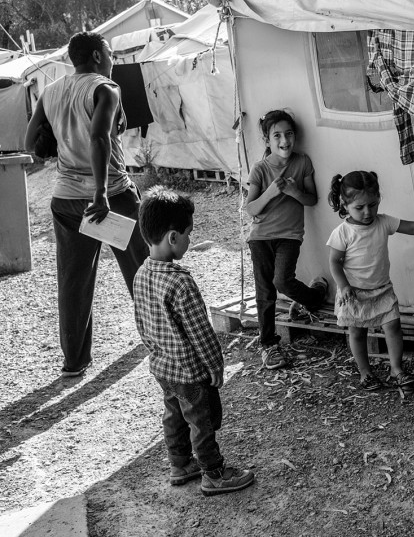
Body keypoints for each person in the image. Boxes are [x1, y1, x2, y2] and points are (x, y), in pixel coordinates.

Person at [24, 31, 149, 378]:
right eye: (109, 53)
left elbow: (30, 141)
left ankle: (74, 362)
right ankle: (157, 338)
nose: (112, 60)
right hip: (111, 196)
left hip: (65, 200)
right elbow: (98, 136)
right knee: (141, 268)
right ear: (96, 56)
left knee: (74, 280)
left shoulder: (49, 91)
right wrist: (100, 193)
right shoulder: (105, 88)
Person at [133, 186, 255, 496]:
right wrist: (215, 365)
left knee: (173, 415)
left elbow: (141, 324)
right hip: (190, 372)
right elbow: (200, 332)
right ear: (173, 237)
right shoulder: (180, 281)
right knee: (201, 421)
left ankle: (180, 464)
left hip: (162, 368)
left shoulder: (141, 274)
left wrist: (155, 353)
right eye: (188, 234)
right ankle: (213, 474)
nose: (189, 240)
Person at [327, 170, 414, 390]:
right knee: (357, 332)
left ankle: (396, 369)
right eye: (359, 208)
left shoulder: (384, 222)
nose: (368, 212)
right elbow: (334, 263)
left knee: (393, 326)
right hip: (354, 292)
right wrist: (344, 286)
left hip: (382, 290)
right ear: (344, 204)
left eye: (373, 204)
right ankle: (365, 373)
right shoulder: (342, 233)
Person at [244, 109, 327, 370]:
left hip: (289, 235)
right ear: (267, 140)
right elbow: (251, 209)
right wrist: (270, 192)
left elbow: (312, 199)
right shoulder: (260, 169)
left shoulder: (302, 162)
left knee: (282, 280)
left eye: (289, 134)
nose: (284, 140)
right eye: (277, 135)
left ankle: (314, 298)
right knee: (265, 293)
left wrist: (293, 191)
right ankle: (269, 345)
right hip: (260, 237)